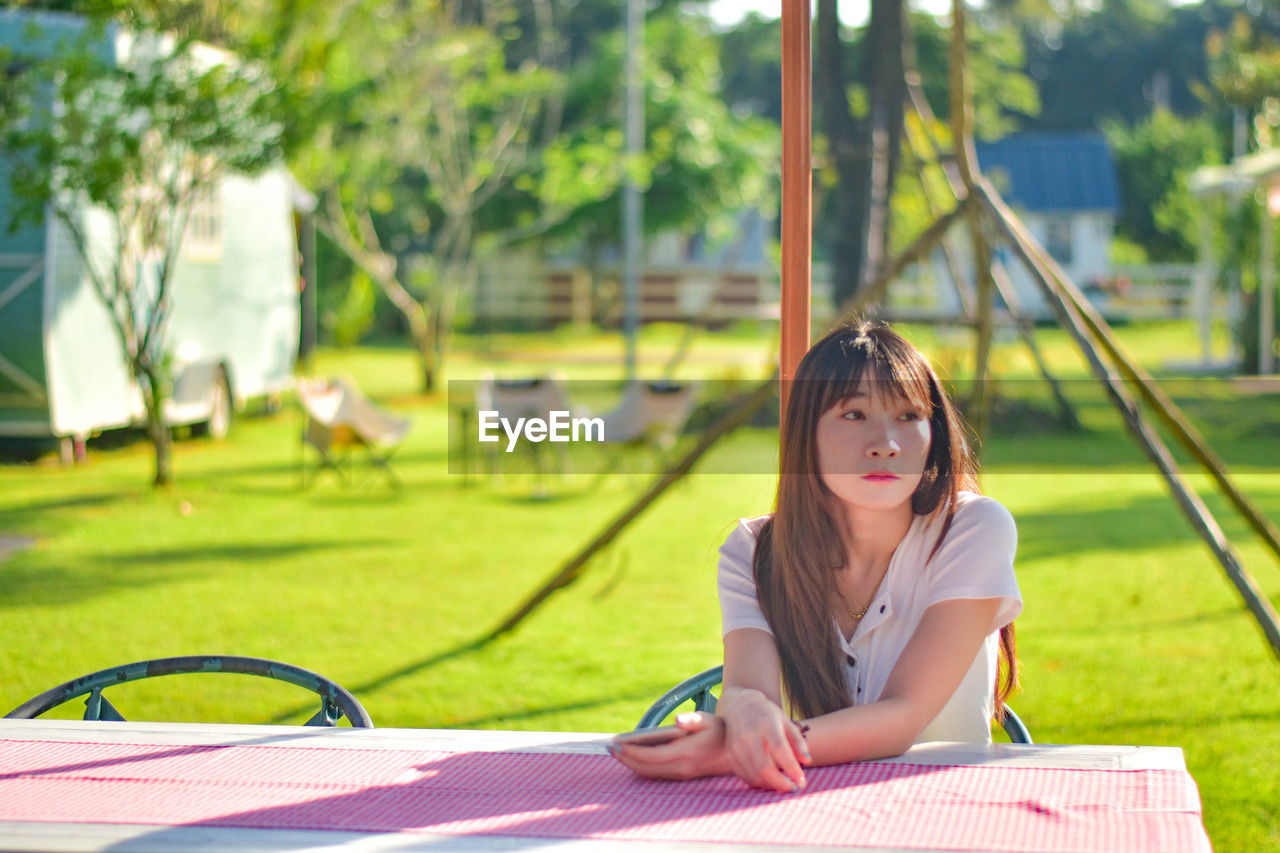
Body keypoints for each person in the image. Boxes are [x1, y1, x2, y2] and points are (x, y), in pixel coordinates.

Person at [610, 320, 1020, 792]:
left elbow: (904, 714)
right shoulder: (756, 549)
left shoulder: (971, 529)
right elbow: (749, 689)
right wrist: (743, 713)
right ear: (807, 434)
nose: (885, 444)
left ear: (935, 438)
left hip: (950, 805)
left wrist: (737, 748)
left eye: (908, 416)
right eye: (854, 415)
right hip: (808, 806)